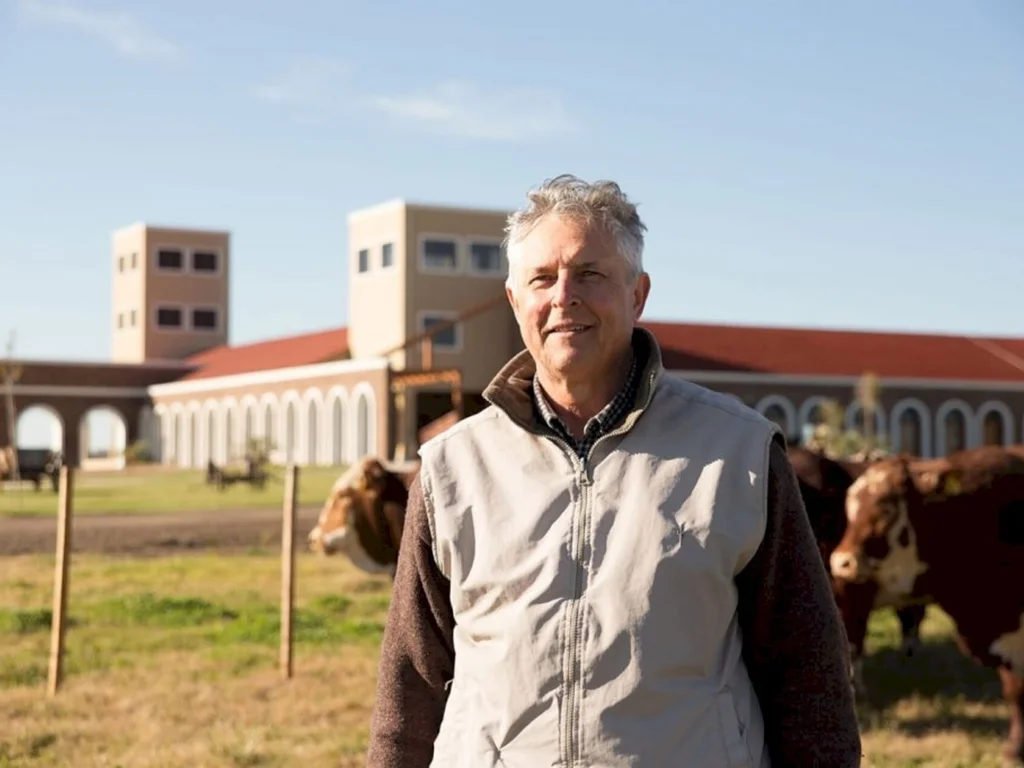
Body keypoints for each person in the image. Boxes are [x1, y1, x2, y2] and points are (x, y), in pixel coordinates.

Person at [365, 174, 862, 767]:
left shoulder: (738, 454)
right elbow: (411, 679)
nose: (564, 297)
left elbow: (806, 669)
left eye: (591, 275)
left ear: (638, 294)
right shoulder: (452, 467)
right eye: (542, 278)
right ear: (514, 299)